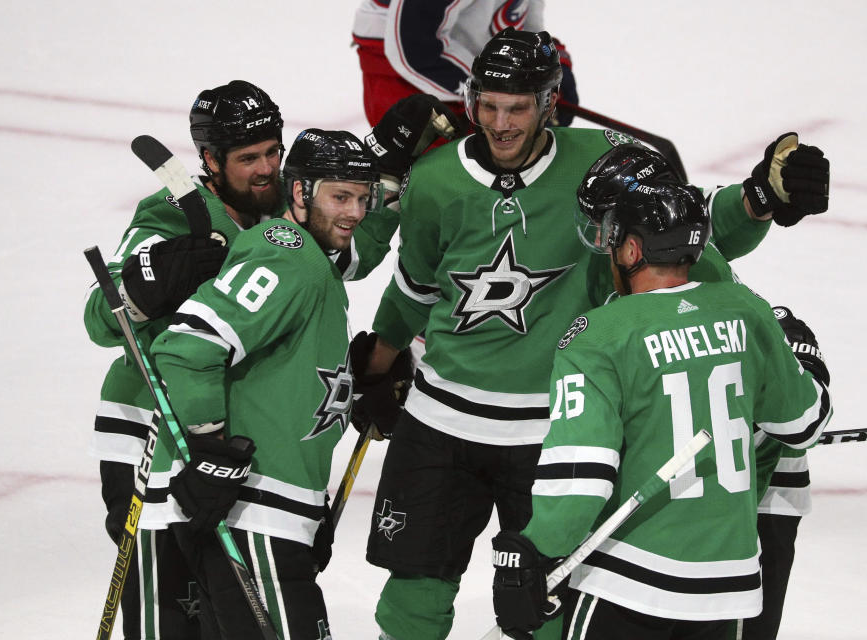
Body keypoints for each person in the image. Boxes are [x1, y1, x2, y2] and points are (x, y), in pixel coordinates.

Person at [352, 28, 830, 640]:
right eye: (488, 104)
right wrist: (380, 363)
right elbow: (414, 289)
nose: (499, 123)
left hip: (553, 432)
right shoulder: (437, 179)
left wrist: (760, 197)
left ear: (550, 102)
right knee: (410, 607)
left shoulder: (601, 161)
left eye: (517, 108)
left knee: (547, 614)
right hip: (442, 422)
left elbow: (684, 224)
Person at [490, 179, 833, 639]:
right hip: (726, 589)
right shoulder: (747, 310)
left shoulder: (599, 335)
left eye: (612, 235)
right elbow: (803, 423)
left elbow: (581, 478)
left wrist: (534, 555)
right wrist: (808, 364)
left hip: (629, 580)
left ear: (632, 251)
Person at [145, 129, 384, 639]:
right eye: (340, 196)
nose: (356, 212)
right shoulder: (288, 251)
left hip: (276, 515)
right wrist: (209, 449)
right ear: (299, 192)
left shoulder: (314, 264)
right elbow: (187, 347)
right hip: (255, 515)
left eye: (363, 199)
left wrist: (357, 389)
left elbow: (286, 382)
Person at [84, 79, 283, 640]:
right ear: (211, 161)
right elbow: (101, 315)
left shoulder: (284, 211)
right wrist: (149, 286)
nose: (267, 168)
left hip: (230, 439)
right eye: (249, 158)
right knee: (168, 608)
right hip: (152, 434)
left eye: (273, 151)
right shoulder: (171, 214)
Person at [351, 0, 577, 128]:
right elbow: (415, 45)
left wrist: (547, 64)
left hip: (470, 54)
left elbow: (520, 15)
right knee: (435, 177)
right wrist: (494, 89)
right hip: (405, 69)